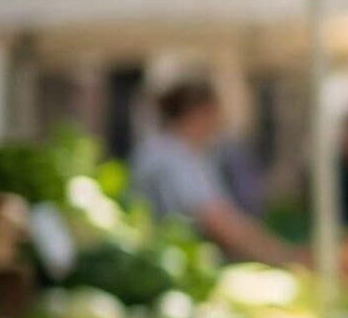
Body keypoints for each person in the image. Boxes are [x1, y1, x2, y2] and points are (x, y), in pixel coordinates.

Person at [128, 81, 300, 264]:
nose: (220, 122)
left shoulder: (183, 152)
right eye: (217, 113)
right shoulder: (171, 155)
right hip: (172, 262)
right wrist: (282, 257)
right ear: (202, 112)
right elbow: (215, 219)